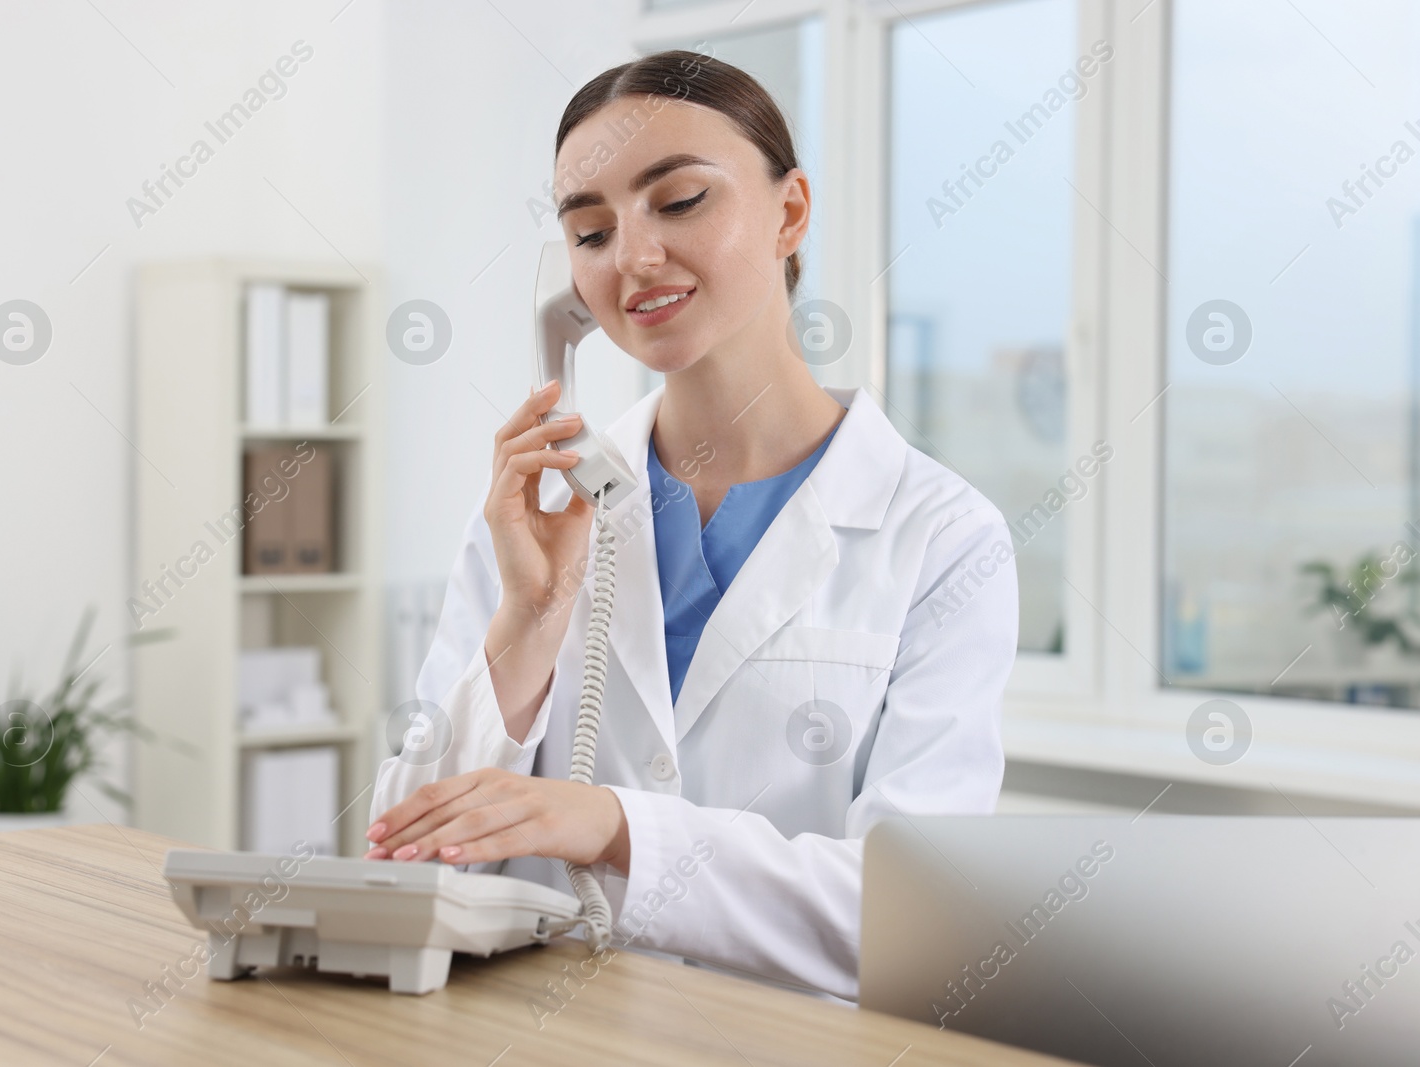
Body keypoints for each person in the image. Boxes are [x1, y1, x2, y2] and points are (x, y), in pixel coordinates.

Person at [364, 49, 1018, 1002]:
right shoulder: (540, 511)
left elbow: (913, 921)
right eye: (589, 231)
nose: (630, 257)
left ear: (790, 212)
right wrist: (531, 619)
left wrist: (616, 826)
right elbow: (406, 865)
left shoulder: (943, 537)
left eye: (678, 203)